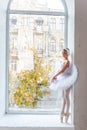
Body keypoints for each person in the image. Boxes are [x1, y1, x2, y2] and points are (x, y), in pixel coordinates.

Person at [49, 48, 78, 123]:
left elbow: (62, 71)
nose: (63, 54)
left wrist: (54, 76)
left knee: (66, 96)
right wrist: (55, 76)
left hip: (67, 79)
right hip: (62, 79)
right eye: (62, 53)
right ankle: (62, 112)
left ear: (67, 54)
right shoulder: (63, 61)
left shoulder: (68, 62)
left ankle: (67, 112)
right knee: (63, 97)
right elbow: (59, 70)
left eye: (64, 53)